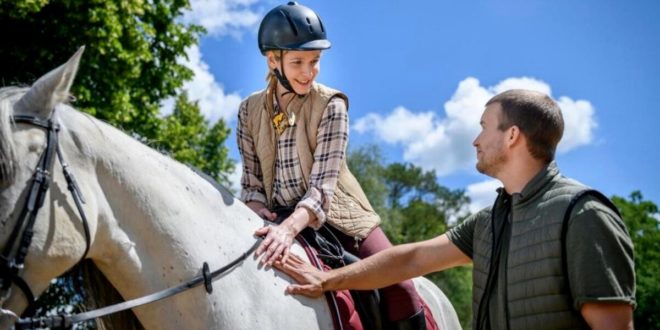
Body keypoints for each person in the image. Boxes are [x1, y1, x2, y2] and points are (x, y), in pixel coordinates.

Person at [276, 89, 636, 329]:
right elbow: (412, 259)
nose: (476, 140)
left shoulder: (585, 214)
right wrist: (328, 279)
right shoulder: (489, 222)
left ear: (512, 136)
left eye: (483, 127)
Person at [237, 2, 428, 328]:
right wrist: (255, 207)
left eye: (315, 61)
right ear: (273, 60)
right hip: (279, 215)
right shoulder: (247, 110)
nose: (308, 72)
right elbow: (252, 182)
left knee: (402, 288)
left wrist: (287, 230)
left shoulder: (332, 105)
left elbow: (321, 190)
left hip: (339, 217)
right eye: (298, 62)